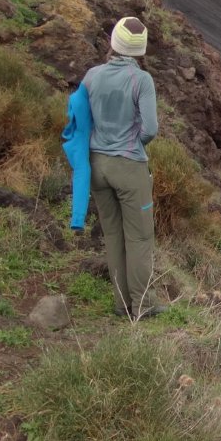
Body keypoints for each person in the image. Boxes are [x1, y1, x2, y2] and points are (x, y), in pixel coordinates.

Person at [80, 16, 165, 319]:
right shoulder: (141, 80)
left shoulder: (92, 75)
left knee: (113, 234)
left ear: (113, 42)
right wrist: (134, 141)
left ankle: (121, 304)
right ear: (139, 49)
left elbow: (80, 118)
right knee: (139, 237)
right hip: (128, 166)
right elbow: (151, 128)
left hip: (96, 164)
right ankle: (143, 306)